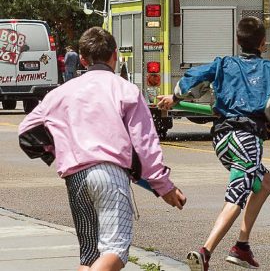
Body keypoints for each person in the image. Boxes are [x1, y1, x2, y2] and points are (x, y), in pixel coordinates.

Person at [19, 27, 186, 271]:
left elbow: (27, 131)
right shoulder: (125, 90)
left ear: (83, 60)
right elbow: (144, 144)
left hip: (75, 178)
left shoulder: (60, 93)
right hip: (109, 175)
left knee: (89, 256)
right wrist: (163, 186)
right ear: (115, 55)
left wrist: (58, 148)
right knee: (115, 252)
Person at [156, 17, 270, 271]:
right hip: (247, 140)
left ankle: (242, 246)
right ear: (262, 43)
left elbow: (193, 78)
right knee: (236, 196)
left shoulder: (223, 64)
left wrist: (175, 96)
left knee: (265, 183)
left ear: (237, 41)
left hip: (223, 141)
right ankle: (205, 251)